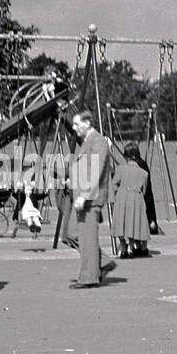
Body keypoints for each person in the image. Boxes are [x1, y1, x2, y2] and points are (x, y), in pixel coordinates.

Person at [67, 111, 114, 289]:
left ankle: (89, 276)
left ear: (87, 123)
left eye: (77, 124)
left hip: (89, 198)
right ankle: (102, 263)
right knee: (71, 234)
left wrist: (84, 195)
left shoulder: (98, 141)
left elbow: (96, 171)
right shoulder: (88, 142)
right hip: (82, 197)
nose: (74, 128)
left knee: (87, 238)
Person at [111, 143, 152, 259]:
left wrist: (119, 192)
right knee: (134, 222)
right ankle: (133, 247)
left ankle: (123, 247)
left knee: (121, 223)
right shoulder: (144, 174)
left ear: (126, 156)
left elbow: (113, 185)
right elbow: (144, 191)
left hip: (122, 196)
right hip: (136, 197)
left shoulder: (120, 169)